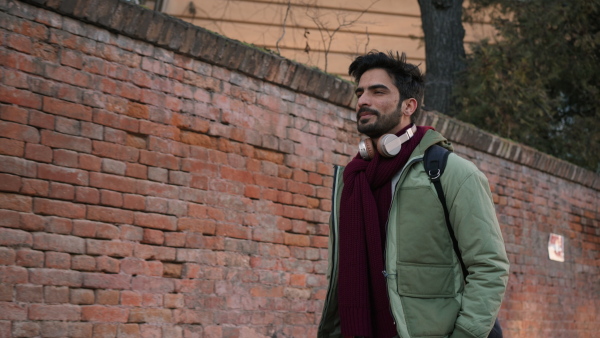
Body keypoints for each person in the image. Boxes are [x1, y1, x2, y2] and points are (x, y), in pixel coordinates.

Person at [318, 51, 510, 338]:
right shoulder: (353, 179)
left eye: (377, 91)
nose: (363, 101)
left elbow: (489, 267)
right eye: (360, 92)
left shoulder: (451, 172)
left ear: (409, 105)